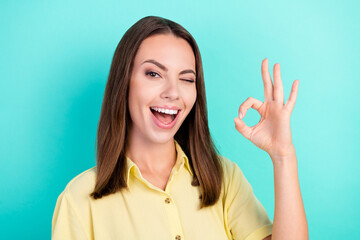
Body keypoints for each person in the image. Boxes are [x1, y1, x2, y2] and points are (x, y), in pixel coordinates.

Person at [52, 16, 308, 240]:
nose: (173, 93)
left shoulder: (224, 178)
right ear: (124, 82)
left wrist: (283, 155)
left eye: (186, 79)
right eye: (154, 74)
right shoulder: (79, 199)